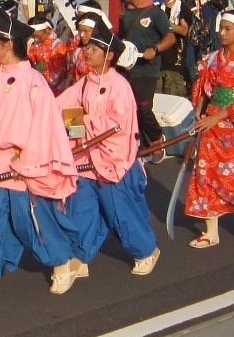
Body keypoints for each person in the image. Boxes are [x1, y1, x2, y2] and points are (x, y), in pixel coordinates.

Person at [0, 7, 81, 300]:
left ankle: (62, 263)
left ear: (8, 44)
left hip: (21, 165)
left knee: (30, 222)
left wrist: (26, 159)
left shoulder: (33, 81)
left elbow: (45, 126)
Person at [59, 19, 160, 280]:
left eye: (94, 48)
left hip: (115, 160)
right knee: (80, 210)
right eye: (88, 47)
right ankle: (80, 256)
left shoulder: (120, 85)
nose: (88, 51)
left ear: (109, 55)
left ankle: (146, 250)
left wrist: (85, 120)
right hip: (86, 159)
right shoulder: (84, 83)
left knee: (120, 215)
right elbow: (61, 107)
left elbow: (119, 125)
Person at [184, 10, 234, 248]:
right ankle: (211, 231)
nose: (222, 33)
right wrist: (199, 110)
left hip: (233, 127)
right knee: (204, 174)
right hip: (210, 122)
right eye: (221, 28)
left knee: (230, 180)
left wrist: (219, 116)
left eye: (228, 29)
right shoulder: (212, 59)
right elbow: (204, 88)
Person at [118, 0, 174, 153]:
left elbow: (170, 38)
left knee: (144, 107)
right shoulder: (127, 13)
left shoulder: (157, 14)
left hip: (147, 69)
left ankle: (157, 137)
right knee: (129, 107)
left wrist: (155, 49)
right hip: (127, 67)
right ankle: (139, 142)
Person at [156, 0, 192, 97]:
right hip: (158, 60)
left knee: (173, 96)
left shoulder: (182, 9)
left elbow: (184, 30)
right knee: (158, 98)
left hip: (175, 59)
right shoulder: (157, 8)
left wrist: (166, 24)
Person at [27, 16, 70, 94]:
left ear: (47, 30)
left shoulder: (57, 45)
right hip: (37, 86)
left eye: (37, 35)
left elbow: (57, 75)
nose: (35, 38)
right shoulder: (35, 43)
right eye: (33, 36)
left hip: (52, 90)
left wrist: (39, 69)